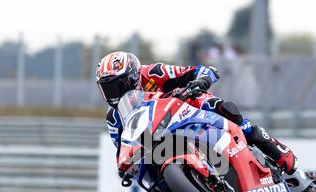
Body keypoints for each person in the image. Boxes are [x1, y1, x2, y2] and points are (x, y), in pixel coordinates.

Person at [95, 51, 297, 177]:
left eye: (119, 85)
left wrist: (201, 80)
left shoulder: (154, 72)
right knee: (146, 171)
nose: (116, 94)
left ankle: (277, 153)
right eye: (108, 89)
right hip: (158, 141)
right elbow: (122, 149)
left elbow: (202, 70)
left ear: (133, 76)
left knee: (217, 106)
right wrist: (125, 165)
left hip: (184, 109)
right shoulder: (114, 117)